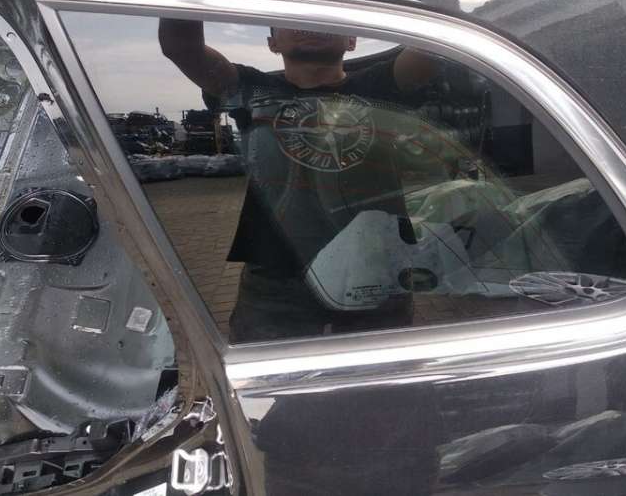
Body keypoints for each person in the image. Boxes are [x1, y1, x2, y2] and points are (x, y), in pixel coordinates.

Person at [159, 18, 439, 342]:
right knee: (268, 372)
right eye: (291, 20)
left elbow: (435, 44)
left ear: (351, 41)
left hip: (375, 268)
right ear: (272, 43)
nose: (311, 24)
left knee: (381, 370)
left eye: (324, 18)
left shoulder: (381, 85)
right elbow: (181, 47)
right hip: (276, 274)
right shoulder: (251, 89)